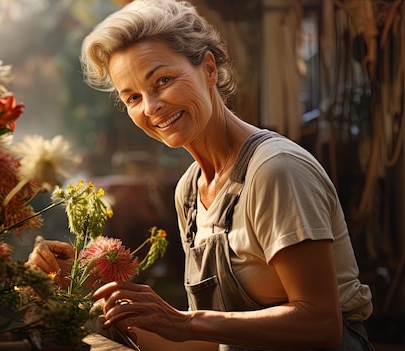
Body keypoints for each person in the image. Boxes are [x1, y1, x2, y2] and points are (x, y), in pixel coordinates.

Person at [28, 0, 374, 350]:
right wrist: (87, 289)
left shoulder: (275, 171)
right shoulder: (191, 191)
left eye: (162, 80)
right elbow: (205, 343)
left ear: (209, 68)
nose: (151, 108)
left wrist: (185, 321)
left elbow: (321, 324)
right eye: (132, 97)